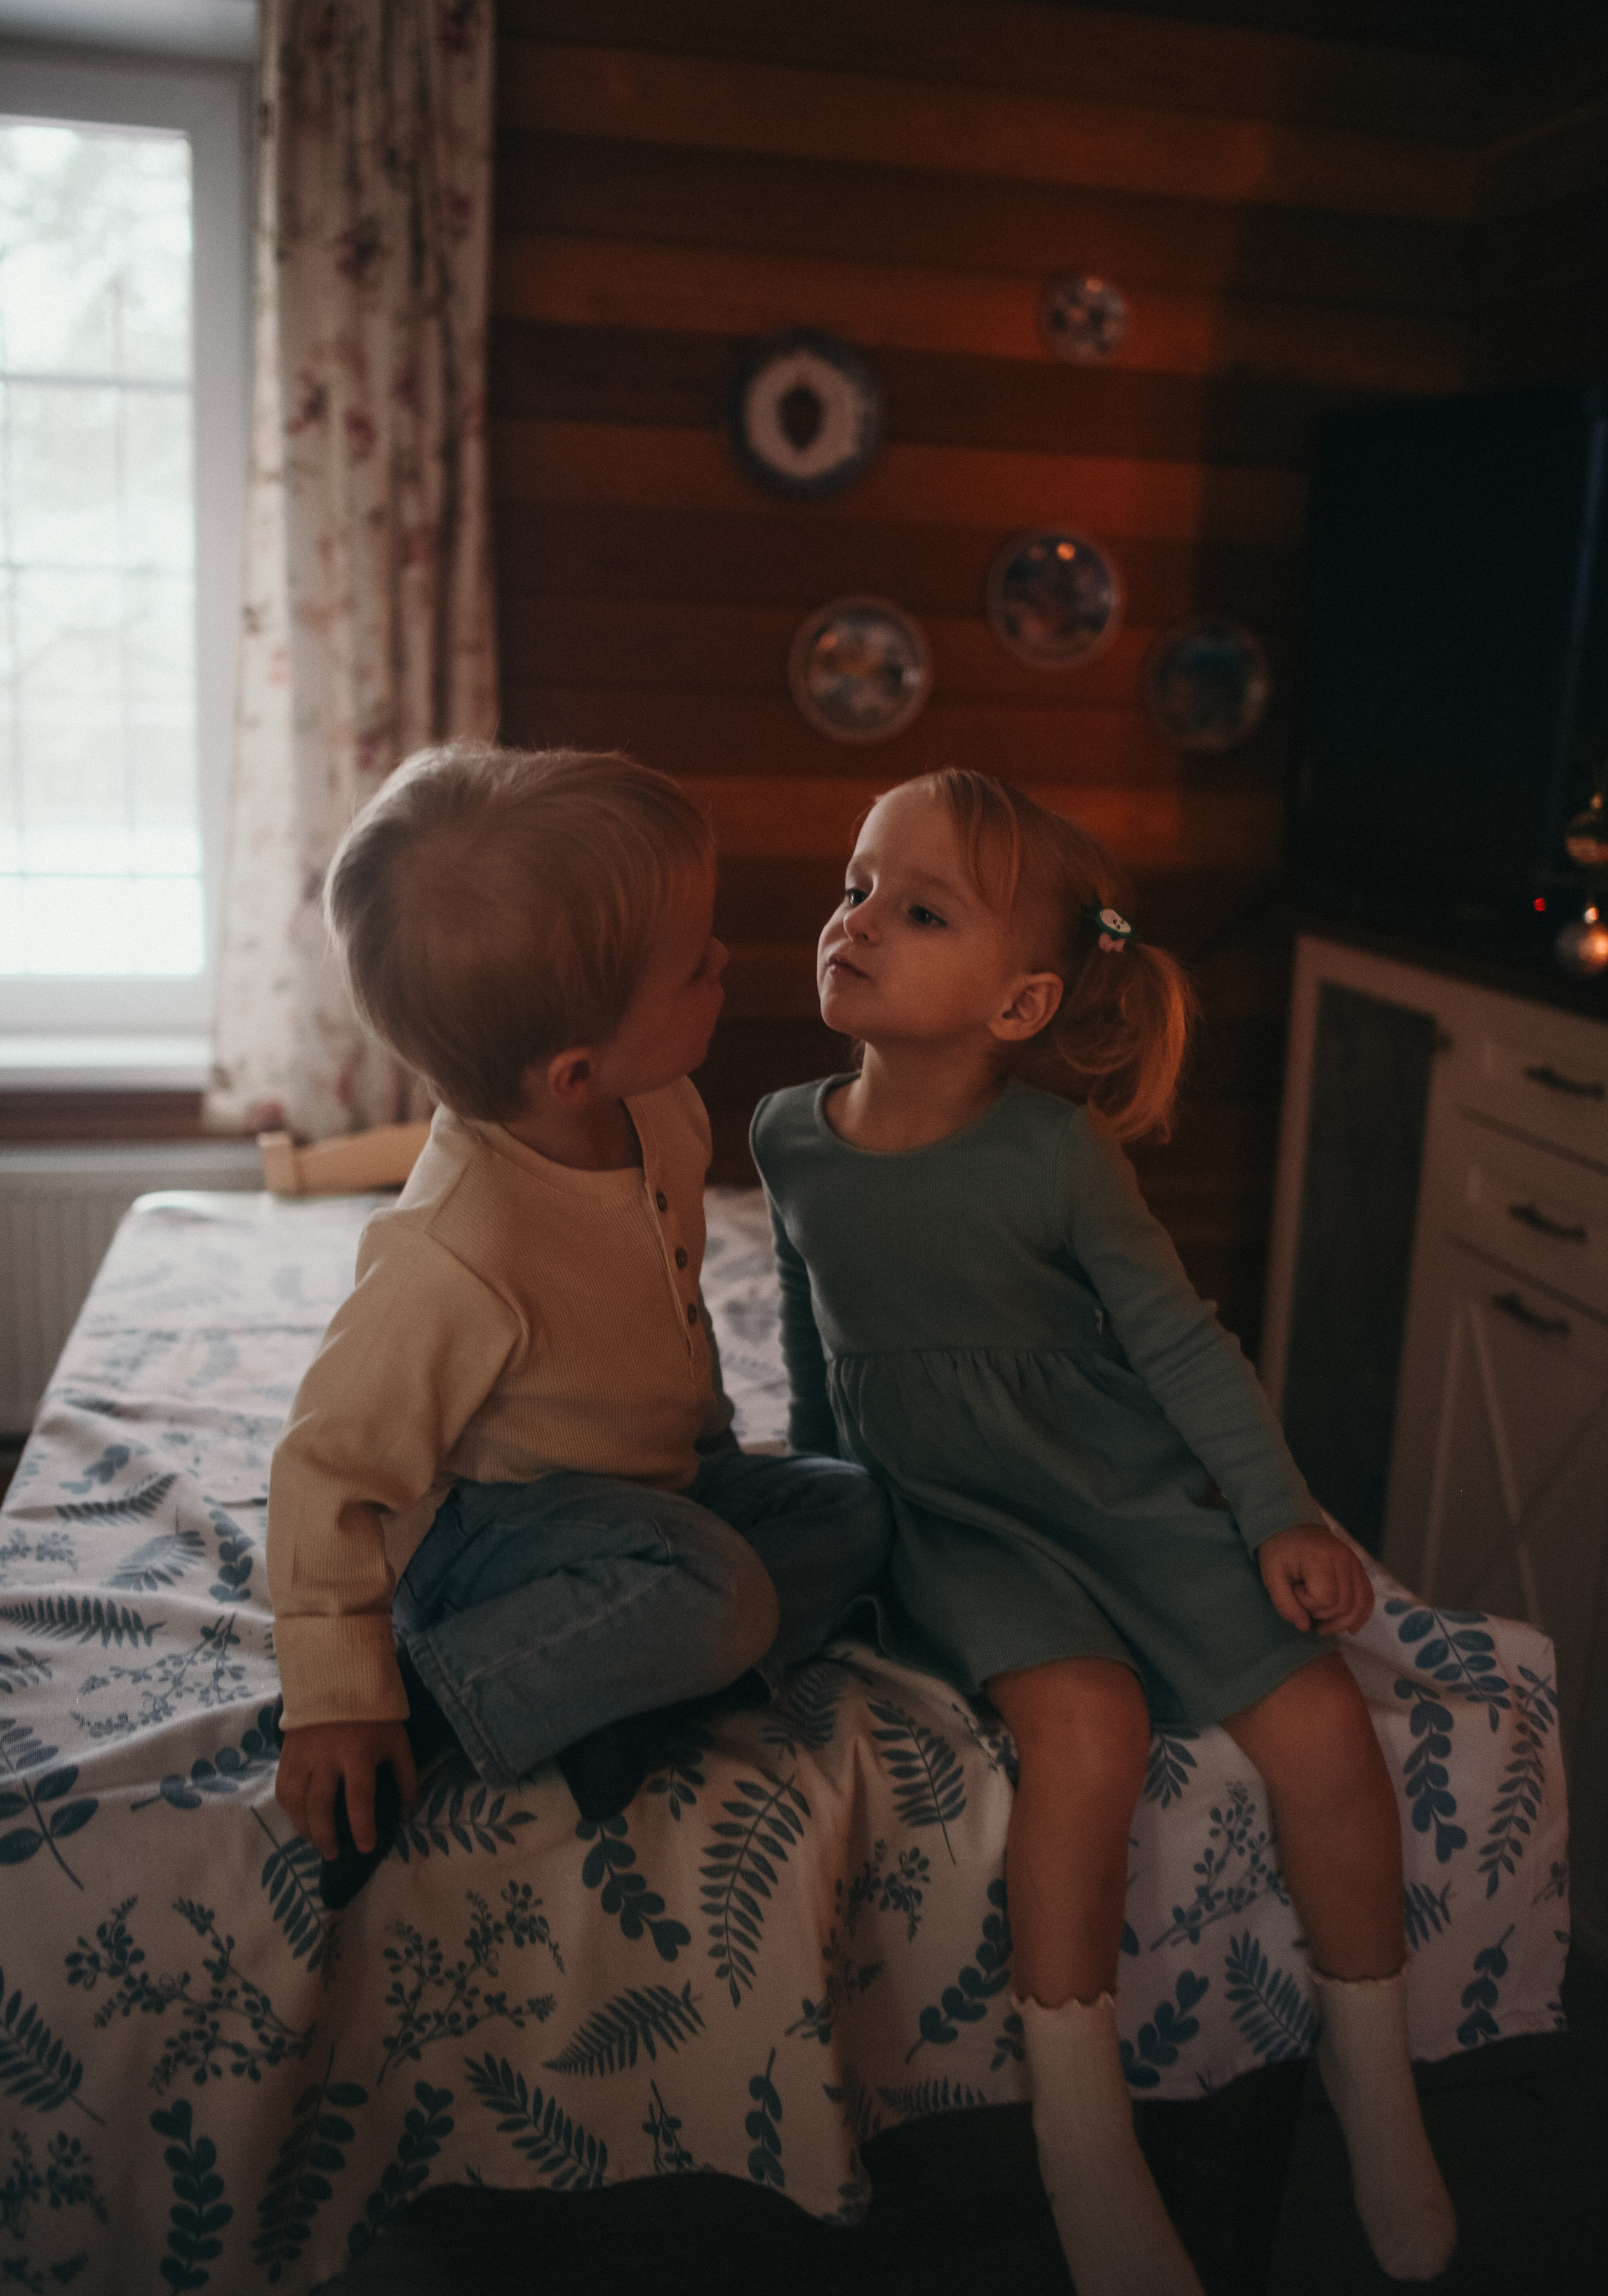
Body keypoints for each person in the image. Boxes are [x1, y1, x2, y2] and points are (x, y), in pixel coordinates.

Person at [751, 770, 1456, 2295]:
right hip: (956, 1523)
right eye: (857, 882)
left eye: (915, 907)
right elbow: (812, 1361)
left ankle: (1370, 2075)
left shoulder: (1054, 1154)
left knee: (1322, 1724)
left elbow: (1181, 1347)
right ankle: (1081, 2128)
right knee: (1087, 1725)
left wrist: (1276, 1515)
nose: (855, 918)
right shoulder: (786, 1139)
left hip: (1115, 1489)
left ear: (1017, 1007)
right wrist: (820, 1522)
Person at [268, 742, 891, 1909]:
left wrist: (709, 1439)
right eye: (691, 967)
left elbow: (670, 1295)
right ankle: (449, 1693)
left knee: (854, 1511)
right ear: (572, 1068)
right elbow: (323, 1468)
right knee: (727, 1598)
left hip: (658, 1484)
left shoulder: (659, 1108)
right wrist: (338, 1691)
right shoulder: (453, 1250)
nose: (723, 962)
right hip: (501, 1533)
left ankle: (622, 1688)